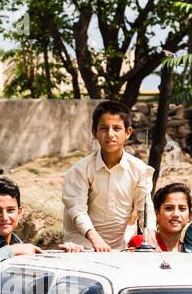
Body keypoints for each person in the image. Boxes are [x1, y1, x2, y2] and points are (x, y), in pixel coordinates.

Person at [61, 100, 154, 252]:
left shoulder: (140, 170)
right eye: (104, 128)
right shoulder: (79, 170)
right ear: (94, 132)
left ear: (128, 132)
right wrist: (95, 240)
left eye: (117, 128)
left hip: (118, 250)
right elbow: (77, 211)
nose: (110, 134)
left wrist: (150, 240)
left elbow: (145, 210)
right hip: (80, 248)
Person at [127, 182, 192, 253]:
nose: (176, 214)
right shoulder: (141, 243)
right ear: (156, 214)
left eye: (182, 209)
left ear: (190, 216)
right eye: (169, 208)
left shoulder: (191, 250)